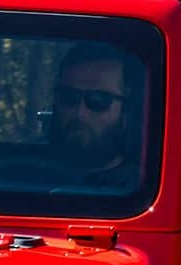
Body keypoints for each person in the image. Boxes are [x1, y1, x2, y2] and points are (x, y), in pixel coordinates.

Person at [53, 42, 141, 179]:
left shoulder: (142, 187)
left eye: (98, 101)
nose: (80, 114)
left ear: (126, 111)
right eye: (69, 97)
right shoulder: (26, 175)